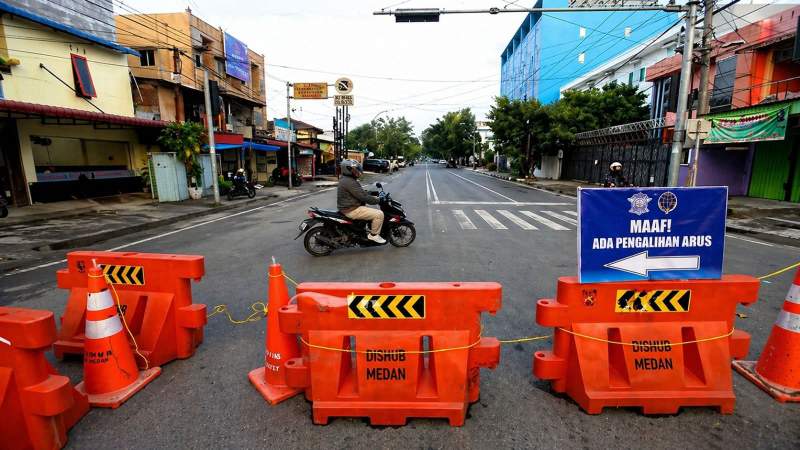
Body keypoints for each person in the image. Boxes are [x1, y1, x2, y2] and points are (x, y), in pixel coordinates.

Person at [337, 159, 385, 244]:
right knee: (379, 214)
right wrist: (378, 200)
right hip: (351, 209)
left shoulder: (346, 179)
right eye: (355, 169)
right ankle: (374, 235)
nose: (357, 171)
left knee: (369, 210)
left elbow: (358, 192)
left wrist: (370, 193)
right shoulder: (349, 182)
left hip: (348, 207)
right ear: (348, 169)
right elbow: (363, 197)